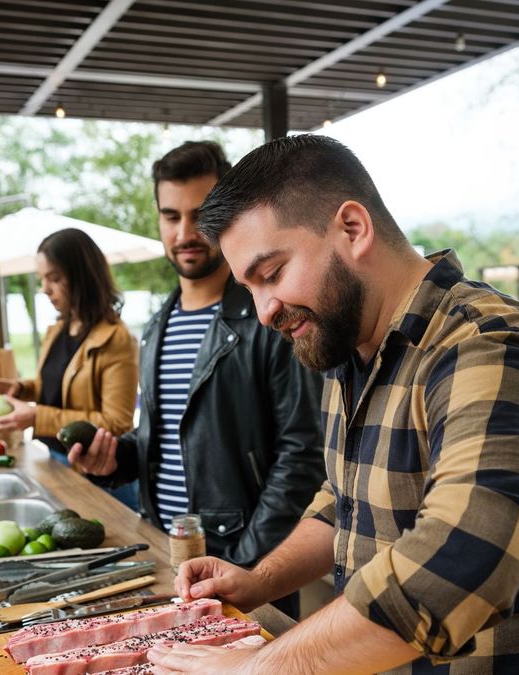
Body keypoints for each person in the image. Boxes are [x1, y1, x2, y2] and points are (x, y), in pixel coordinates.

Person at [145, 135, 519, 675]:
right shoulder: (349, 347)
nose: (264, 312)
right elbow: (344, 501)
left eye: (271, 274)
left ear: (352, 229)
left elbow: (458, 565)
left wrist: (256, 667)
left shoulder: (488, 345)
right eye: (250, 288)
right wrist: (258, 579)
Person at [67, 141, 326, 619]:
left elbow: (303, 455)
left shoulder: (269, 316)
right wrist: (117, 459)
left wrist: (245, 563)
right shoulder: (156, 323)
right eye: (171, 216)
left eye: (200, 213)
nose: (185, 232)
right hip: (165, 555)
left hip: (245, 562)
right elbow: (166, 437)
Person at [0, 228, 138, 466]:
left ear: (83, 277)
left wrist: (36, 416)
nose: (44, 288)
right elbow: (60, 386)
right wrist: (21, 388)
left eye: (54, 278)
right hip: (54, 456)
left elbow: (116, 423)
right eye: (42, 278)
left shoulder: (117, 338)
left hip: (95, 471)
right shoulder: (58, 329)